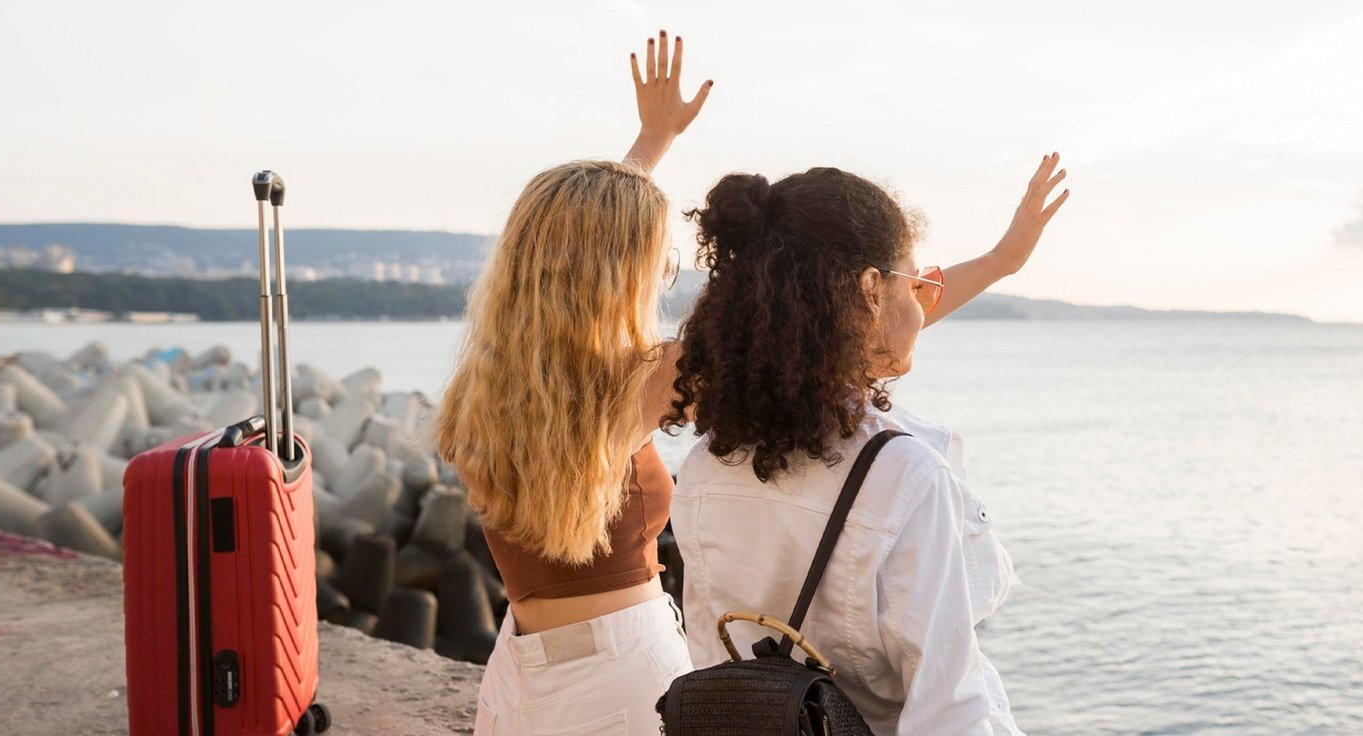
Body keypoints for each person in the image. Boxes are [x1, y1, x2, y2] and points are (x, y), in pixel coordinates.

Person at [663, 158, 1069, 734]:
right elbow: (948, 714)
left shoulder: (706, 467)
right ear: (871, 290)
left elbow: (713, 665)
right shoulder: (906, 477)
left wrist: (1000, 261)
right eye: (914, 283)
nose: (924, 305)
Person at [437, 31, 709, 736]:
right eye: (658, 260)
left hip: (522, 672)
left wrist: (650, 143)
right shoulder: (639, 382)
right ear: (624, 273)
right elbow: (803, 345)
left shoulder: (485, 382)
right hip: (625, 673)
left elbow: (577, 234)